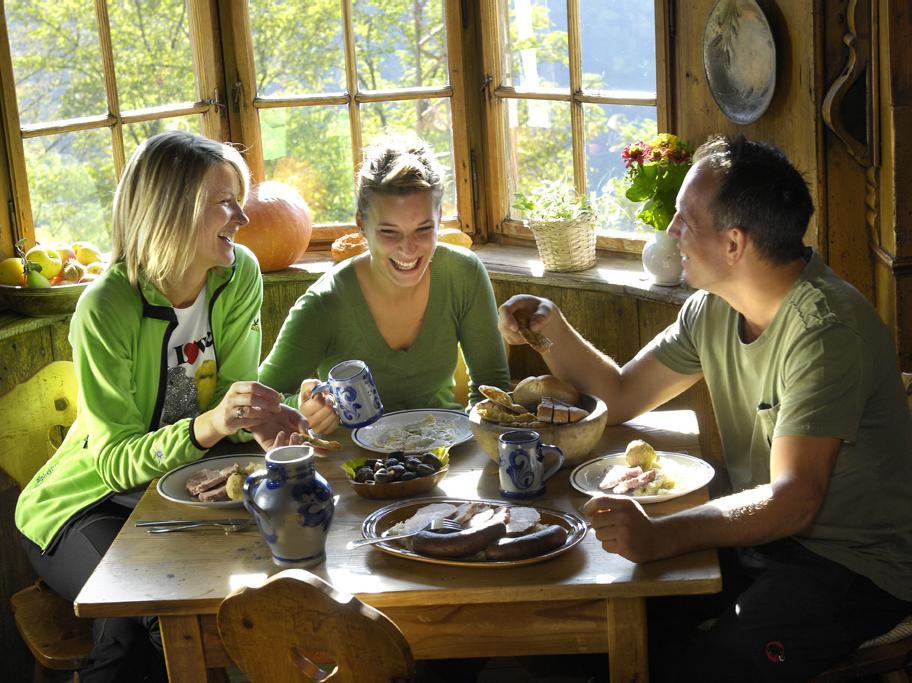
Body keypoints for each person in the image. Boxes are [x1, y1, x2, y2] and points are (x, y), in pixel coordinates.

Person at [498, 135, 912, 682]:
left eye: (684, 222)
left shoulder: (827, 333)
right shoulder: (712, 309)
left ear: (735, 244)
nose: (672, 233)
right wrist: (550, 329)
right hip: (763, 542)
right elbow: (620, 395)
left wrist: (661, 536)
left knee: (697, 669)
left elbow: (794, 503)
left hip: (853, 565)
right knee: (587, 632)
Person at [15, 130, 310, 682]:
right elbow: (113, 461)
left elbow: (233, 403)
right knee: (146, 616)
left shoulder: (237, 274)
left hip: (176, 494)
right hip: (85, 504)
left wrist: (281, 413)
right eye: (225, 202)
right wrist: (215, 423)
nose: (242, 217)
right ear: (170, 211)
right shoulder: (106, 306)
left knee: (205, 612)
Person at [259, 133, 510, 433]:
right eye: (390, 232)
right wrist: (303, 408)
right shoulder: (324, 303)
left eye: (423, 229)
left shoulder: (463, 274)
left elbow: (493, 392)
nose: (408, 248)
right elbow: (257, 406)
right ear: (362, 225)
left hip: (449, 456)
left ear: (440, 218)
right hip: (353, 470)